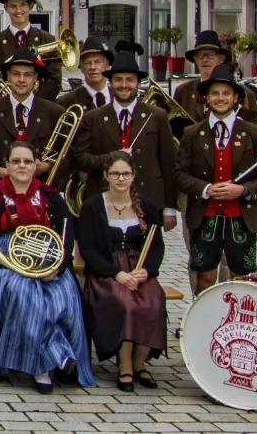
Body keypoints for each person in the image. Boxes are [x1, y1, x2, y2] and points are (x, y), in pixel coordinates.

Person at [0, 141, 95, 393]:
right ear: (7, 165)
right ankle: (45, 365)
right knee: (24, 294)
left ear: (36, 165)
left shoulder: (51, 195)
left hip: (47, 258)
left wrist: (59, 267)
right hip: (5, 261)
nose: (22, 166)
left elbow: (66, 235)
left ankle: (50, 358)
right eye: (16, 161)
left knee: (63, 294)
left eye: (27, 161)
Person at [174, 64, 257, 295]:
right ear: (207, 98)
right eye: (215, 93)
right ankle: (204, 315)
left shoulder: (254, 133)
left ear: (235, 97)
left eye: (226, 93)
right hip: (204, 216)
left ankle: (237, 318)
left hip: (241, 217)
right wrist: (206, 189)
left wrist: (242, 190)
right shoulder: (192, 133)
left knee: (242, 278)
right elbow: (179, 174)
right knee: (204, 276)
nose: (220, 98)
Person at [78, 152, 167, 392]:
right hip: (106, 271)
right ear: (106, 176)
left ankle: (140, 361)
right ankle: (125, 364)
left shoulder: (146, 206)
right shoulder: (92, 206)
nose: (120, 178)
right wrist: (117, 273)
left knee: (153, 301)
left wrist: (146, 271)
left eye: (126, 174)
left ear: (133, 176)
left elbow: (156, 246)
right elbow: (88, 249)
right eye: (115, 174)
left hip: (138, 268)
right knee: (124, 302)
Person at [72, 49, 178, 222]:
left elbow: (169, 163)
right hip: (105, 201)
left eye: (130, 80)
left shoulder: (156, 115)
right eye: (118, 79)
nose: (123, 85)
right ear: (111, 82)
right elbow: (81, 158)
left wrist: (170, 208)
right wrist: (110, 158)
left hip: (148, 201)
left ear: (138, 83)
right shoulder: (93, 117)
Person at [0, 49, 66, 180]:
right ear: (8, 76)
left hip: (40, 185)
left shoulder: (54, 112)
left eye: (27, 75)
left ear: (35, 78)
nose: (21, 80)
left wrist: (49, 166)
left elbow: (69, 154)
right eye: (16, 74)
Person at [173, 30, 257, 138]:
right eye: (200, 55)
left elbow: (253, 136)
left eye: (210, 55)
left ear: (221, 59)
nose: (205, 60)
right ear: (195, 60)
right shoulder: (183, 92)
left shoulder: (244, 94)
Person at [56, 37, 113, 111]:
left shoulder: (119, 97)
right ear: (82, 68)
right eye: (87, 63)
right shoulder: (66, 102)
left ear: (107, 66)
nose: (92, 67)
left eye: (98, 62)